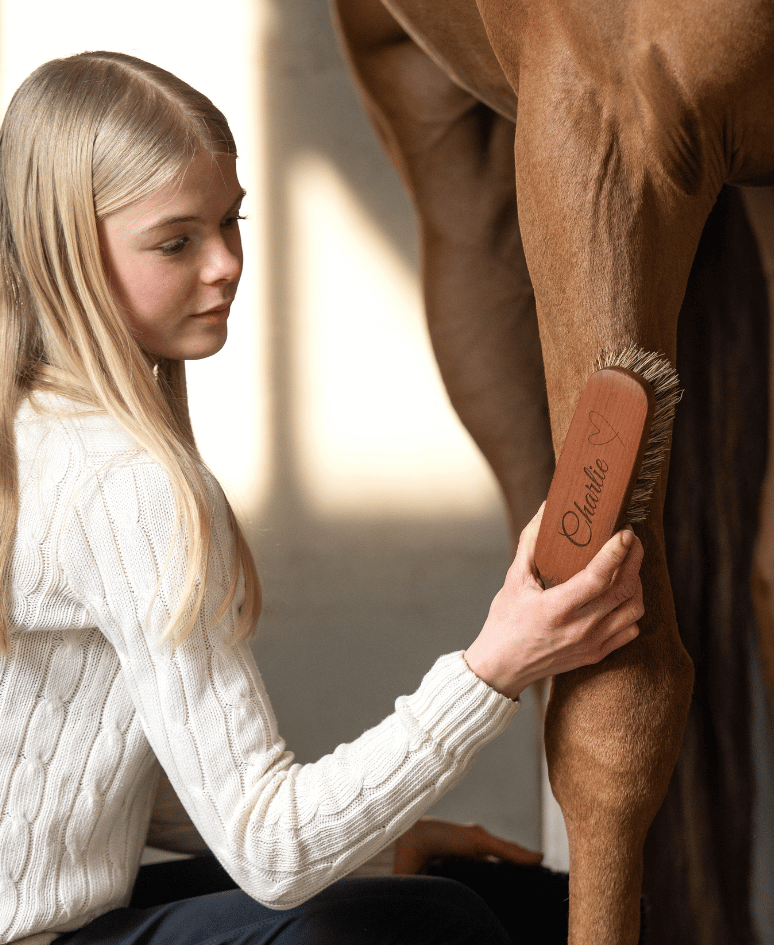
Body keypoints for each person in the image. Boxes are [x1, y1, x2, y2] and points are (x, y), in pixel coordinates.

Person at [0, 51, 645, 945]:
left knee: (466, 892)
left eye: (232, 221)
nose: (227, 263)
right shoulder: (124, 481)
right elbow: (272, 852)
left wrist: (378, 844)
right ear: (66, 251)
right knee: (439, 923)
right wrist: (497, 663)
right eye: (177, 241)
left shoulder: (29, 430)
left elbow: (84, 784)